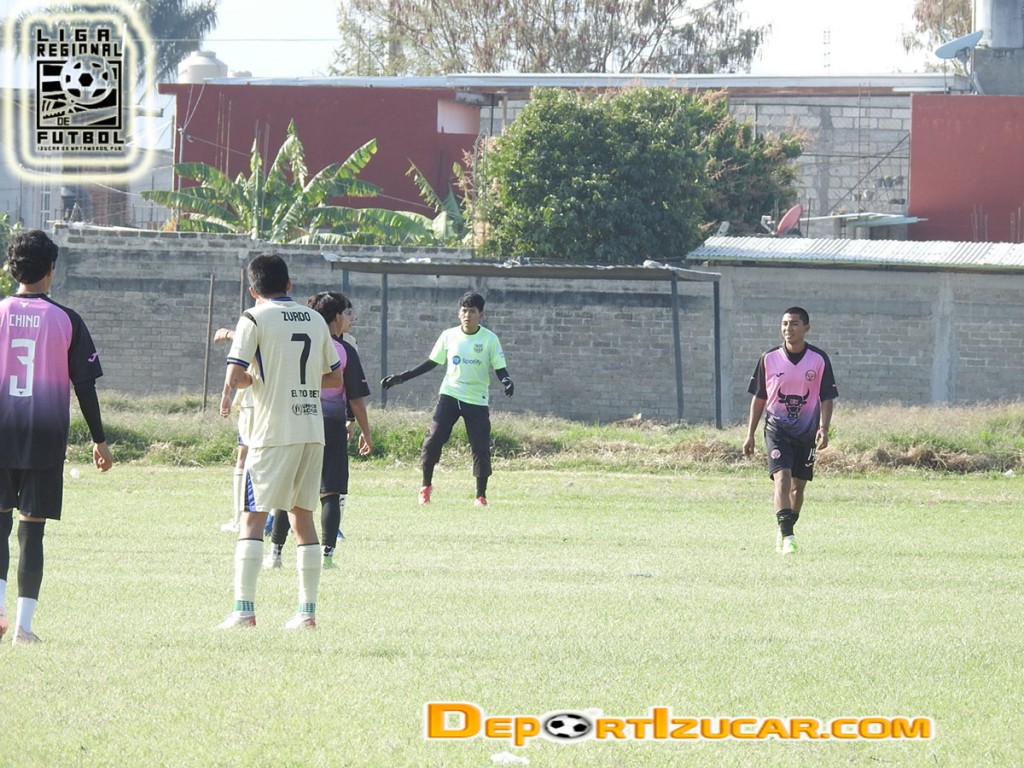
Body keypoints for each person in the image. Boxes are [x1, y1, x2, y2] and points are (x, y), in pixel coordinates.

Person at [0, 229, 113, 645]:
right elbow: (85, 386)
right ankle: (24, 628)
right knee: (32, 530)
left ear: (12, 268)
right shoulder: (67, 320)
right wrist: (99, 440)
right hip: (44, 438)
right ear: (51, 269)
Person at [217, 254, 341, 630]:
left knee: (253, 517)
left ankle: (244, 610)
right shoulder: (315, 319)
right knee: (303, 516)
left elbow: (235, 376)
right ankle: (307, 613)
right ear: (289, 284)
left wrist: (255, 380)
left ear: (253, 290)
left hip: (272, 433)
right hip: (311, 431)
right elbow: (335, 379)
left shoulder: (253, 317)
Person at [265, 291, 372, 569]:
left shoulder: (294, 342)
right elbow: (355, 398)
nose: (352, 318)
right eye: (347, 313)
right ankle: (327, 557)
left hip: (296, 420)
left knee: (289, 489)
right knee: (330, 492)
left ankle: (275, 554)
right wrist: (366, 431)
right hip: (331, 424)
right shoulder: (343, 350)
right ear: (336, 317)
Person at [381, 291, 512, 506]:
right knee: (433, 440)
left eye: (472, 311)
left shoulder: (490, 339)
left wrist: (506, 380)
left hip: (476, 400)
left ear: (481, 315)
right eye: (464, 311)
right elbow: (432, 362)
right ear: (459, 313)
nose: (467, 315)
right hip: (450, 395)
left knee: (480, 447)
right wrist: (403, 377)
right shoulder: (448, 335)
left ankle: (480, 496)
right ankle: (425, 487)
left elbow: (500, 368)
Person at [742, 306, 838, 555]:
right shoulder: (768, 358)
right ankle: (788, 537)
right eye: (785, 324)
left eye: (794, 324)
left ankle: (784, 526)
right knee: (782, 479)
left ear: (806, 328)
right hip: (777, 430)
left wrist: (824, 428)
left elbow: (827, 397)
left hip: (807, 432)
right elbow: (759, 398)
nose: (788, 328)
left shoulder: (819, 359)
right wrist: (750, 434)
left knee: (798, 487)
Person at [212, 327, 253, 533]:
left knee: (244, 458)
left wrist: (227, 333)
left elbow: (245, 340)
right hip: (280, 402)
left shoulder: (257, 320)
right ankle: (279, 519)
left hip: (253, 400)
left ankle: (240, 519)